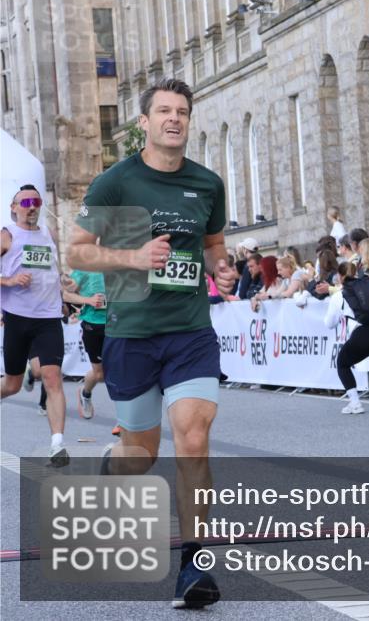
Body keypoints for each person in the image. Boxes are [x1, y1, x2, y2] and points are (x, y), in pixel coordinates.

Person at [66, 78, 236, 609]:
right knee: (140, 454)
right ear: (144, 122)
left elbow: (212, 246)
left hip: (189, 331)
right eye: (163, 111)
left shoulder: (206, 183)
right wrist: (132, 259)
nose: (174, 119)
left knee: (193, 435)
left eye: (182, 111)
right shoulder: (115, 184)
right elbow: (77, 253)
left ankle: (194, 564)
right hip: (132, 333)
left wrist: (222, 271)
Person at [0, 185, 71, 466]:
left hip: (48, 318)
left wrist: (64, 288)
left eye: (36, 201)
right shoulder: (7, 235)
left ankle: (57, 445)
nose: (32, 206)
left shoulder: (48, 235)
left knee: (53, 378)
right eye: (25, 202)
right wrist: (9, 281)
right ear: (13, 207)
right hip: (17, 318)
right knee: (12, 385)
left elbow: (52, 270)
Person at [324, 261, 369, 414]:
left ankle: (355, 403)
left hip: (362, 333)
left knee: (342, 363)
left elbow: (329, 323)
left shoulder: (340, 294)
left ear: (341, 277)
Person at [61, 268, 108, 424]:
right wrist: (88, 300)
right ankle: (85, 393)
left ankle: (126, 421)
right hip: (93, 324)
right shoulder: (86, 267)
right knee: (99, 373)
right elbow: (66, 294)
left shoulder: (121, 264)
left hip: (118, 324)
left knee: (121, 369)